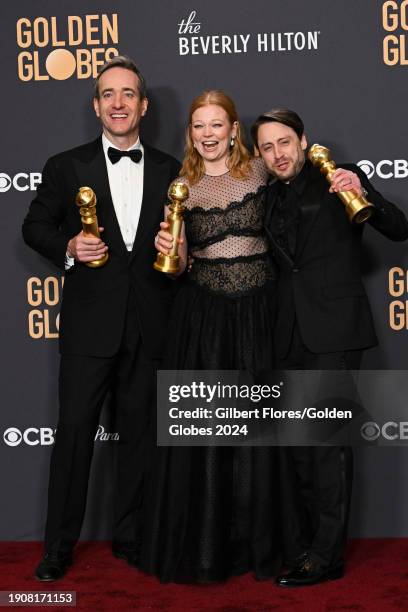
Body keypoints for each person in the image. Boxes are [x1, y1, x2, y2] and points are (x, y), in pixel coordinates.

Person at [22, 55, 180, 581]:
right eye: (108, 94)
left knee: (140, 439)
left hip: (149, 325)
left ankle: (131, 537)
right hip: (90, 327)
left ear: (144, 105)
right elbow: (34, 227)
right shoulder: (65, 166)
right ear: (96, 107)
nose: (118, 103)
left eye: (128, 94)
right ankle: (58, 548)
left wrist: (176, 251)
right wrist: (69, 245)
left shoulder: (170, 170)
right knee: (73, 439)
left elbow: (184, 246)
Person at [251, 108, 408, 587]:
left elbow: (399, 228)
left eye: (284, 142)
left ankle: (327, 556)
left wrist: (363, 194)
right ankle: (303, 548)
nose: (277, 154)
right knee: (298, 448)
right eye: (267, 147)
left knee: (327, 447)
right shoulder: (266, 200)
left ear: (303, 140)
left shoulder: (339, 180)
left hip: (334, 331)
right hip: (286, 334)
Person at [139, 90, 280, 583]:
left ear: (234, 129)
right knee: (209, 434)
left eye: (216, 125)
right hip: (204, 320)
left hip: (260, 314)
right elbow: (175, 268)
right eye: (199, 126)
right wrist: (170, 251)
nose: (208, 134)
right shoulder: (182, 186)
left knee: (262, 429)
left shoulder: (262, 172)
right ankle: (207, 550)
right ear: (190, 134)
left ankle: (265, 543)